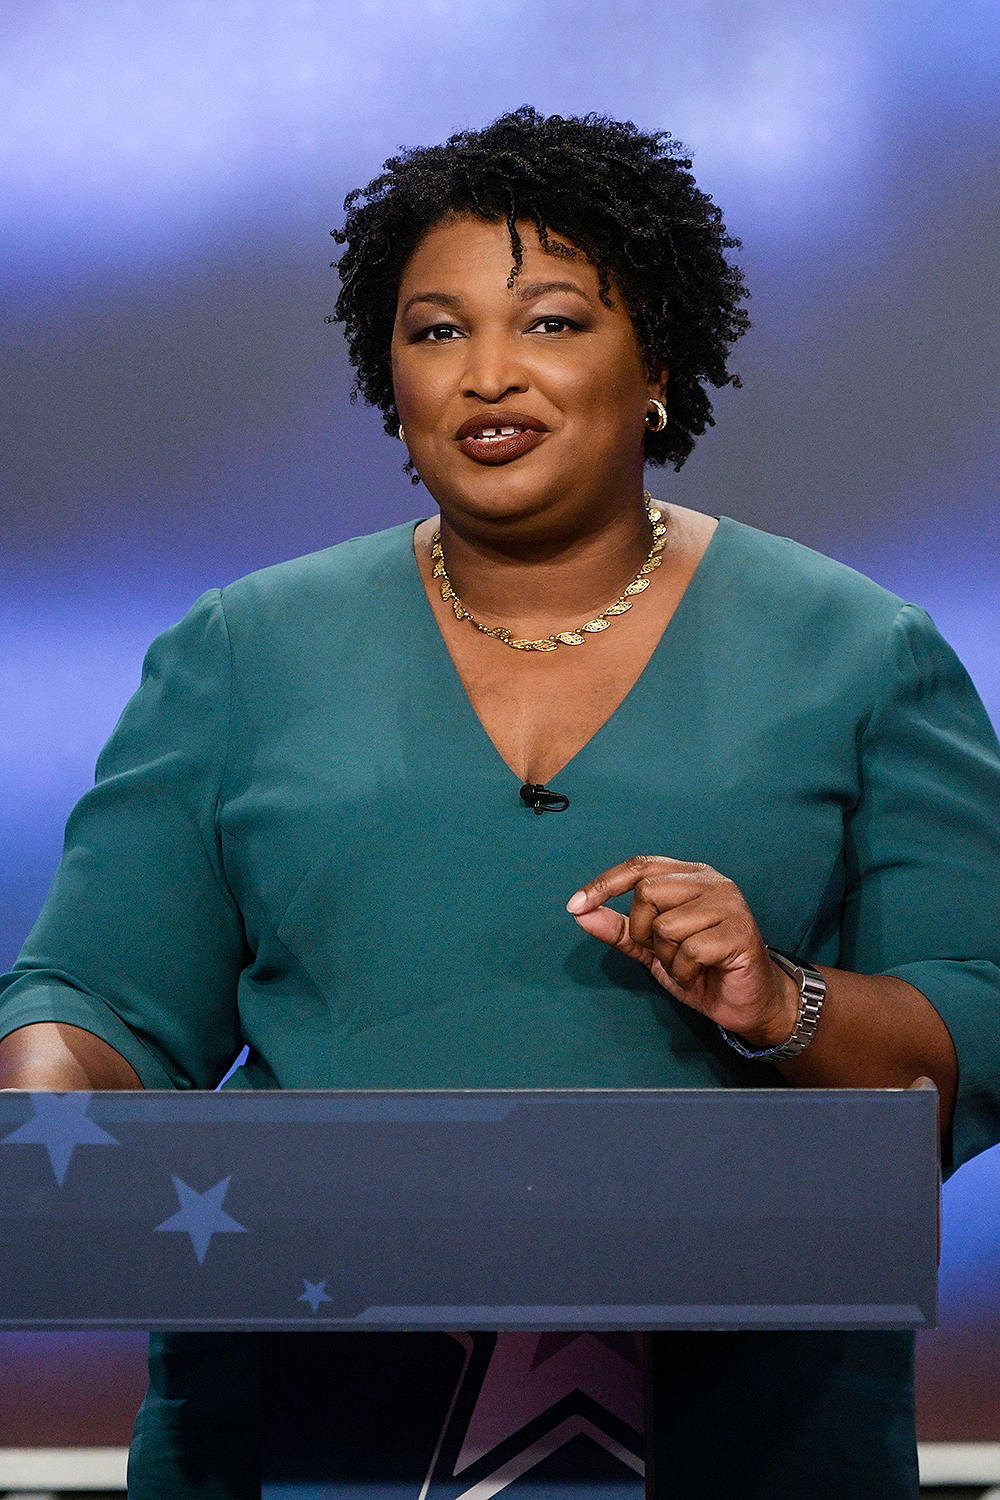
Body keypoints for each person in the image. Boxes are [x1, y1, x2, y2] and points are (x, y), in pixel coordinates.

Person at [2, 105, 999, 1498]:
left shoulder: (859, 652)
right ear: (386, 375)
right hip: (300, 1437)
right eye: (433, 331)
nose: (486, 376)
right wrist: (49, 1086)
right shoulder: (243, 652)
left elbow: (973, 1035)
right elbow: (106, 1002)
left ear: (655, 359)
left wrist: (785, 1000)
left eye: (549, 322)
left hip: (745, 1443)